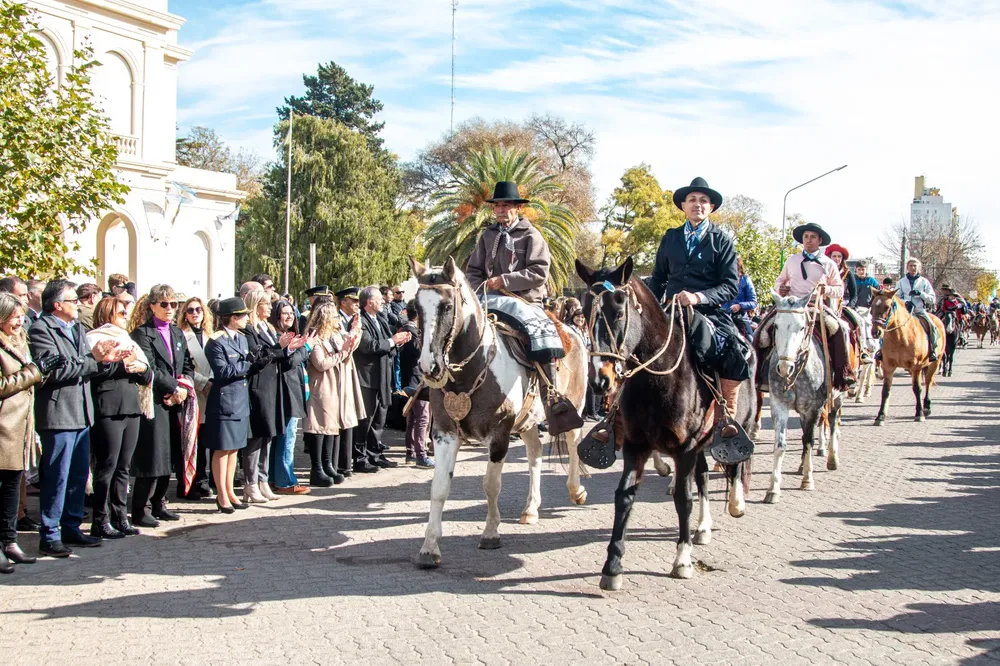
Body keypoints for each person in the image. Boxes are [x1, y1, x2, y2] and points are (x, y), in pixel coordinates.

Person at [465, 181, 585, 436]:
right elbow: (473, 271)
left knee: (543, 335)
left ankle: (553, 399)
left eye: (506, 205)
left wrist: (505, 280)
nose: (500, 210)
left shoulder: (531, 235)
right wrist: (481, 288)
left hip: (526, 301)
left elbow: (539, 272)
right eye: (497, 205)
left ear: (518, 208)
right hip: (491, 299)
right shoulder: (487, 236)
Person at [29, 279, 128, 557]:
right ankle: (49, 534)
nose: (78, 305)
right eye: (73, 301)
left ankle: (71, 526)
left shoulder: (75, 329)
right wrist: (94, 360)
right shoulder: (41, 329)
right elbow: (53, 371)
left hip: (82, 412)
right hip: (58, 413)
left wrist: (108, 360)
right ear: (57, 305)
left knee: (77, 476)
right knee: (57, 477)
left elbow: (87, 365)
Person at [647, 178, 750, 435]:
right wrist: (648, 308)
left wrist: (697, 298)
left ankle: (727, 418)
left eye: (704, 200)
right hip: (670, 311)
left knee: (733, 351)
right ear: (683, 205)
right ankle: (617, 417)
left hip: (708, 313)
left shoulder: (722, 241)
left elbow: (729, 286)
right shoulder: (670, 238)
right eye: (692, 199)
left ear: (711, 207)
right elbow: (658, 278)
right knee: (635, 346)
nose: (698, 204)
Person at [128, 285, 195, 527]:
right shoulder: (142, 334)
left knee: (171, 454)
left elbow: (187, 364)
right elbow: (150, 368)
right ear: (152, 306)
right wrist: (172, 388)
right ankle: (141, 507)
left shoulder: (177, 333)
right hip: (155, 400)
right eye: (164, 304)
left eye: (173, 304)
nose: (170, 309)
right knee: (153, 455)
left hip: (175, 400)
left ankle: (160, 502)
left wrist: (184, 387)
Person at [87, 296, 153, 538]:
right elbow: (95, 371)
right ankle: (100, 520)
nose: (125, 316)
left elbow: (147, 374)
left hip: (131, 405)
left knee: (124, 467)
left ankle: (120, 516)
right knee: (108, 465)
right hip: (109, 406)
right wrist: (121, 364)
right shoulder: (95, 338)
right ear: (107, 315)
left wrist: (142, 368)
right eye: (120, 313)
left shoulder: (128, 339)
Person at [0, 293, 56, 572]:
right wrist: (34, 371)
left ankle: (9, 541)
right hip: (3, 426)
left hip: (20, 425)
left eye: (21, 315)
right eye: (14, 316)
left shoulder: (20, 339)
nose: (20, 321)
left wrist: (42, 369)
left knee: (12, 488)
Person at [766, 223, 854, 389]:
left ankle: (843, 373)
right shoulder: (792, 260)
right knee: (764, 329)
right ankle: (759, 375)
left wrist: (825, 289)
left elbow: (839, 290)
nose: (809, 240)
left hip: (817, 307)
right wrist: (781, 288)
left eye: (813, 237)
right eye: (806, 237)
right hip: (790, 306)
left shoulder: (829, 264)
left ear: (820, 240)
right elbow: (779, 281)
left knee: (840, 328)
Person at [243, 289, 307, 503]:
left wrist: (288, 350)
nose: (270, 308)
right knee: (256, 438)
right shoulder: (249, 329)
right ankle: (251, 483)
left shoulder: (268, 327)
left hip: (274, 386)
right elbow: (258, 356)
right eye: (266, 304)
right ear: (255, 305)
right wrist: (280, 348)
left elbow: (277, 355)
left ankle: (262, 480)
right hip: (260, 386)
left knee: (268, 437)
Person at [203, 297, 257, 513]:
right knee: (222, 449)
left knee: (234, 449)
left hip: (240, 400)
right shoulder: (216, 341)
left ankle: (231, 491)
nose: (246, 319)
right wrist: (250, 364)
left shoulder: (241, 339)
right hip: (224, 401)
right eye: (243, 315)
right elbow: (223, 371)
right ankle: (221, 495)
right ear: (233, 318)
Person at [303, 303, 365, 485]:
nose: (338, 320)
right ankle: (317, 469)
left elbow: (349, 348)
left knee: (331, 426)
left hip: (335, 387)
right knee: (319, 427)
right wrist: (343, 353)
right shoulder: (315, 337)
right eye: (335, 317)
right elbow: (321, 363)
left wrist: (356, 330)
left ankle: (328, 464)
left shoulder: (334, 335)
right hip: (321, 387)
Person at [353, 286, 410, 472]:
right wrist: (393, 340)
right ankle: (360, 458)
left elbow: (388, 345)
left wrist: (399, 342)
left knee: (379, 418)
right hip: (368, 379)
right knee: (366, 420)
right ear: (369, 302)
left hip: (384, 377)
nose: (384, 301)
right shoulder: (360, 321)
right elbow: (369, 346)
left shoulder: (381, 319)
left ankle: (375, 453)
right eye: (379, 299)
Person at [269, 299, 312, 495]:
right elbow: (289, 361)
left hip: (293, 391)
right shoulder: (278, 337)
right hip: (285, 393)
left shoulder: (291, 335)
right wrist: (306, 348)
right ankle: (285, 480)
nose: (288, 317)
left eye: (290, 313)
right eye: (284, 313)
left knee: (285, 437)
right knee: (287, 438)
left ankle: (276, 477)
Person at [176, 296, 215, 498]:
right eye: (190, 310)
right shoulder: (182, 335)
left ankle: (203, 478)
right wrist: (203, 383)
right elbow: (184, 367)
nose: (194, 313)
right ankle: (189, 483)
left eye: (198, 310)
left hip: (211, 392)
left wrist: (212, 382)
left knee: (207, 438)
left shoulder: (210, 335)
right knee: (193, 439)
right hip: (194, 392)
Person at [397, 301, 434, 468]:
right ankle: (420, 454)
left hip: (410, 378)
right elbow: (421, 355)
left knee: (413, 418)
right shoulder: (411, 332)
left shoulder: (408, 330)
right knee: (422, 418)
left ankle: (411, 452)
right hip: (416, 379)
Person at [897, 258, 939, 362]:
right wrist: (905, 302)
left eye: (915, 266)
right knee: (890, 326)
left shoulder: (924, 282)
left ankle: (933, 350)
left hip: (919, 311)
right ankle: (883, 351)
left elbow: (932, 299)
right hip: (905, 312)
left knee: (933, 327)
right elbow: (896, 297)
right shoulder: (901, 282)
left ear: (919, 268)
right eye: (911, 266)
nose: (913, 268)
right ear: (907, 267)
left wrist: (920, 294)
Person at [723, 255, 758, 339]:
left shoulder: (745, 280)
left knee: (750, 340)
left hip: (740, 317)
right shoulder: (721, 279)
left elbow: (753, 302)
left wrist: (740, 306)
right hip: (722, 316)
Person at [824, 244, 856, 310]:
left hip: (844, 304)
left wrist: (849, 307)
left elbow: (854, 295)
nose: (837, 259)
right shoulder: (823, 272)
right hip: (824, 304)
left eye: (839, 256)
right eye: (834, 256)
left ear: (842, 259)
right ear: (830, 257)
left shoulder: (848, 273)